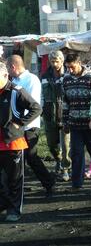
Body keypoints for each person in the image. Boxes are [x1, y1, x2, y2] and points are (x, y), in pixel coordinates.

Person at [7, 55, 56, 198]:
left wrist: (21, 123)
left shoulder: (31, 80)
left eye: (8, 68)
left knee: (31, 157)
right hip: (17, 126)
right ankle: (17, 188)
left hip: (29, 126)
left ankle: (49, 183)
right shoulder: (14, 80)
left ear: (13, 67)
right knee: (18, 158)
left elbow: (33, 105)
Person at [0, 62, 42, 221]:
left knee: (14, 180)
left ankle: (14, 210)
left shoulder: (16, 91)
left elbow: (36, 108)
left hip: (13, 143)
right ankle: (4, 202)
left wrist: (20, 123)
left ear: (5, 75)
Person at [62, 53, 91, 189]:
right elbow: (65, 102)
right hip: (75, 124)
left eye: (72, 67)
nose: (70, 70)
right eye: (67, 67)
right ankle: (77, 183)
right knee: (76, 153)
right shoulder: (66, 80)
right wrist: (65, 121)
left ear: (79, 63)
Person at [41, 51, 71, 181]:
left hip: (64, 113)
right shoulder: (45, 75)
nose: (54, 64)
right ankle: (58, 160)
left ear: (62, 61)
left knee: (66, 144)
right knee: (51, 144)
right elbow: (41, 94)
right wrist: (41, 110)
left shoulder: (68, 75)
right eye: (52, 61)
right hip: (49, 113)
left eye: (57, 61)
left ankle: (65, 168)